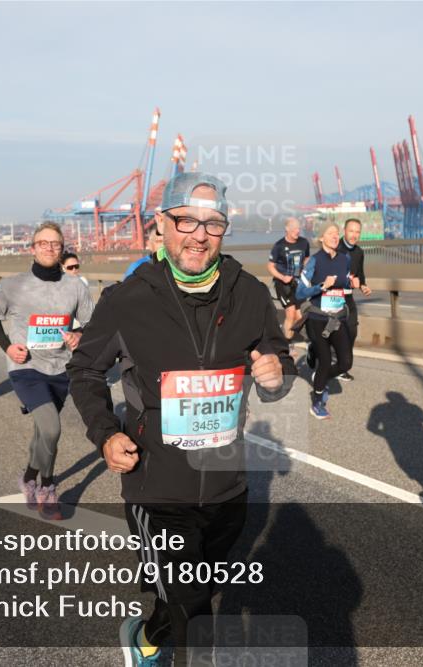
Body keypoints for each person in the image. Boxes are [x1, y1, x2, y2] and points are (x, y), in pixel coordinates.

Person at [68, 172, 295, 665]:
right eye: (186, 220)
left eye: (213, 224)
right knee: (195, 614)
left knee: (192, 597)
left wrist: (278, 377)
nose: (198, 234)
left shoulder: (250, 295)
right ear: (161, 225)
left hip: (225, 486)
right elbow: (85, 371)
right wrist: (106, 434)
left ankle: (145, 636)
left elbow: (279, 362)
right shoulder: (126, 301)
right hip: (157, 486)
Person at [0, 224, 94, 519]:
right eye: (42, 243)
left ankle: (28, 477)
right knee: (51, 428)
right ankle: (47, 487)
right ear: (32, 248)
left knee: (41, 433)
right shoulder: (13, 284)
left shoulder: (75, 286)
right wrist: (7, 347)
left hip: (61, 367)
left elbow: (89, 323)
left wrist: (79, 335)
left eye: (55, 244)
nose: (49, 248)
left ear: (62, 249)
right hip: (26, 367)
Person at [296, 222, 353, 420]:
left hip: (336, 318)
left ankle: (320, 376)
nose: (335, 236)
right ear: (321, 238)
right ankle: (317, 401)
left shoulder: (345, 259)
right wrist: (321, 286)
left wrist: (352, 283)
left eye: (337, 233)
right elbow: (300, 292)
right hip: (317, 318)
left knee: (345, 363)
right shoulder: (314, 261)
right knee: (326, 360)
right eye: (330, 233)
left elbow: (344, 284)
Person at [335, 217, 372, 381]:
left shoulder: (359, 252)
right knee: (333, 332)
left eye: (357, 232)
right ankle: (320, 354)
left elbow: (360, 274)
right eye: (351, 231)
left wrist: (363, 285)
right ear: (344, 231)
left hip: (348, 297)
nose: (354, 235)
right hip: (332, 297)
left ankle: (342, 365)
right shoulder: (335, 249)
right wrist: (349, 280)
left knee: (351, 330)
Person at [267, 217, 310, 342]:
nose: (297, 231)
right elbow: (270, 266)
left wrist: (306, 271)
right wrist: (282, 277)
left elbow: (306, 258)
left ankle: (283, 333)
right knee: (290, 312)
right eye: (295, 228)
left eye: (299, 228)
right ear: (287, 229)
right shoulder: (279, 246)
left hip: (298, 284)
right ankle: (287, 345)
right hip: (283, 284)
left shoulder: (304, 242)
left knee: (299, 316)